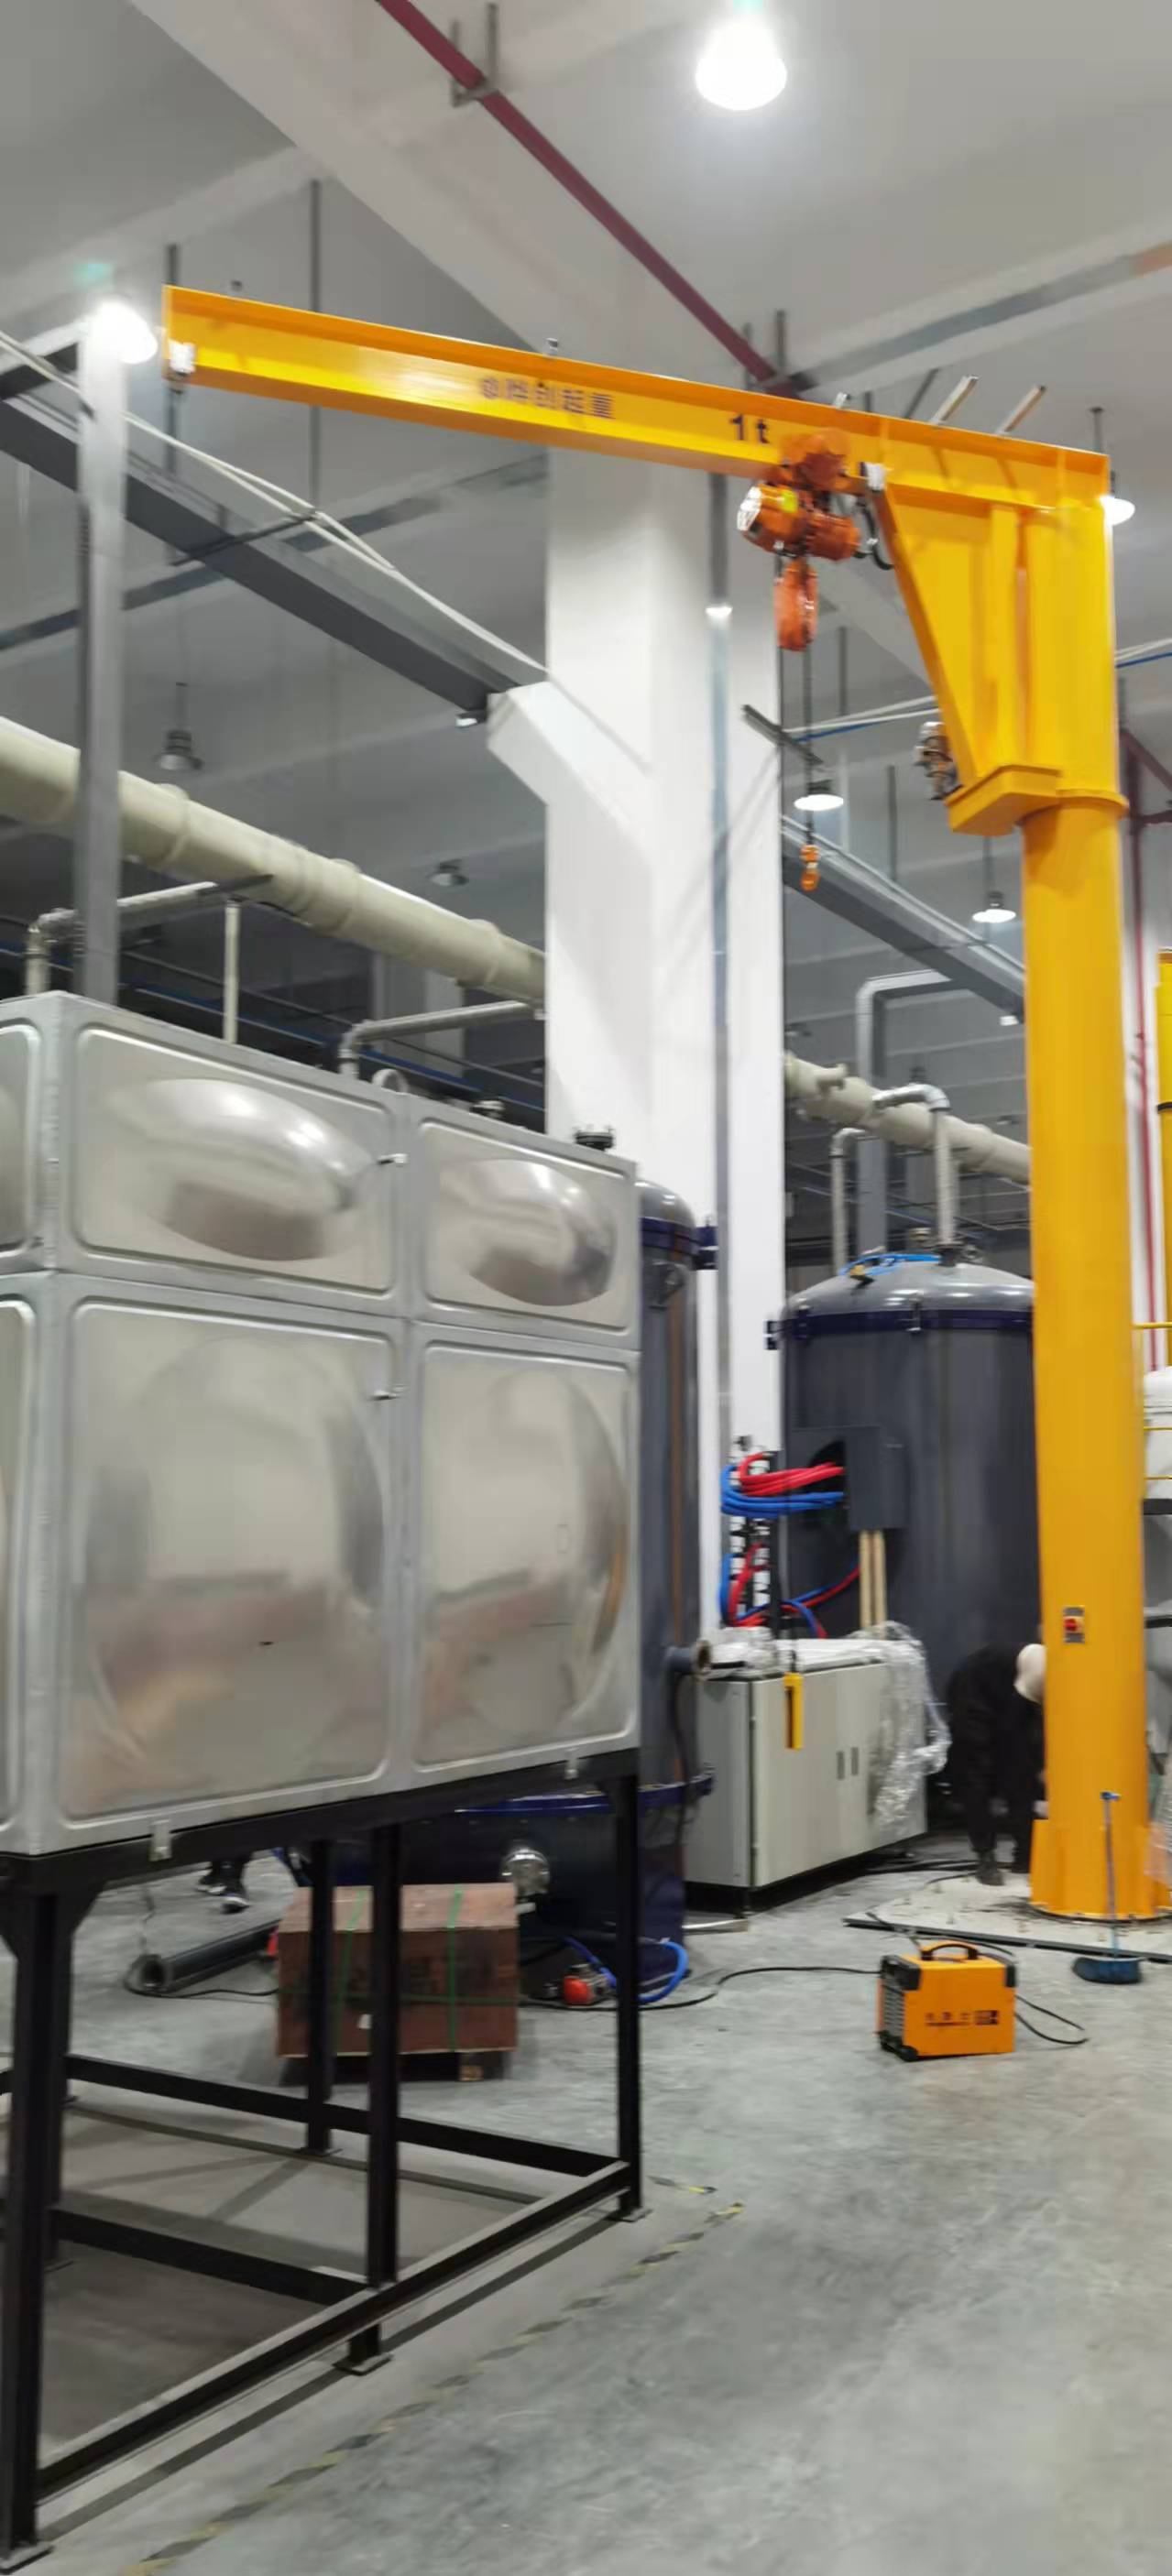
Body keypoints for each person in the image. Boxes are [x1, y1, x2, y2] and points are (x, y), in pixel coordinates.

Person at [945, 1642, 1045, 1884]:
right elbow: (1010, 1726)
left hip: (1012, 1689)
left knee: (1022, 1772)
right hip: (972, 1691)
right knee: (977, 1773)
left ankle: (1025, 1853)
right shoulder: (1039, 1675)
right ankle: (985, 1855)